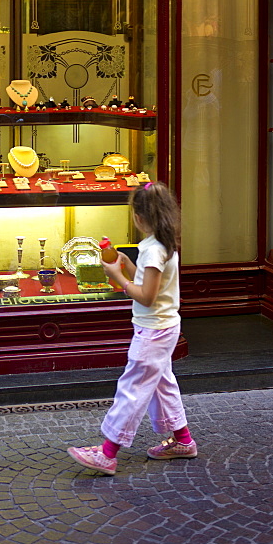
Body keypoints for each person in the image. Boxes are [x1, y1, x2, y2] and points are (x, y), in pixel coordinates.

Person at [67, 181, 197, 476]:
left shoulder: (152, 250)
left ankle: (108, 452)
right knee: (162, 385)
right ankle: (183, 440)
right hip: (165, 326)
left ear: (138, 218)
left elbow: (147, 297)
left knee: (134, 387)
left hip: (153, 330)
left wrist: (119, 278)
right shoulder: (164, 245)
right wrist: (127, 264)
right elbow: (157, 286)